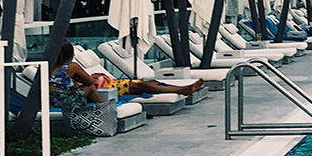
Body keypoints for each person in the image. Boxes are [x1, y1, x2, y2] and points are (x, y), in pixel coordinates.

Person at [51, 42, 203, 104]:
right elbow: (89, 82)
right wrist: (93, 76)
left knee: (148, 84)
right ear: (70, 55)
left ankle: (180, 88)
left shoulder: (49, 67)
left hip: (106, 84)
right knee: (144, 85)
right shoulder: (71, 66)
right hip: (106, 87)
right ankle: (181, 89)